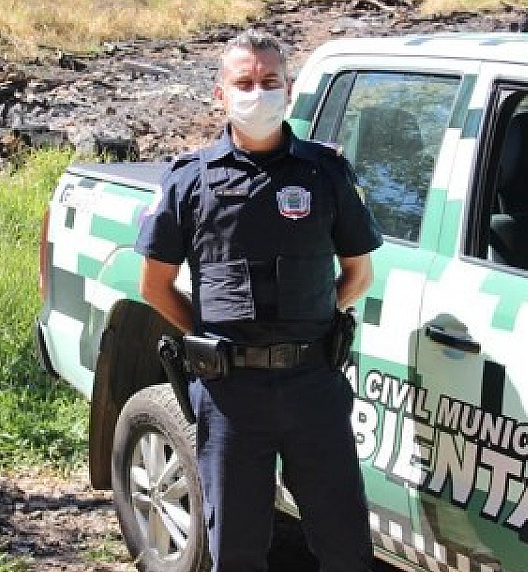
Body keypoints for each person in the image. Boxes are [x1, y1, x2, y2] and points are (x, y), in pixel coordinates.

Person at [136, 29, 381, 572]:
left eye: (269, 81)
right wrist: (208, 336)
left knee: (345, 547)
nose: (257, 92)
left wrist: (316, 318)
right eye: (243, 82)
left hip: (313, 386)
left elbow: (358, 274)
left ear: (288, 90)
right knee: (237, 551)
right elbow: (154, 285)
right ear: (219, 93)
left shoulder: (325, 172)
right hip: (230, 395)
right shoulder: (189, 180)